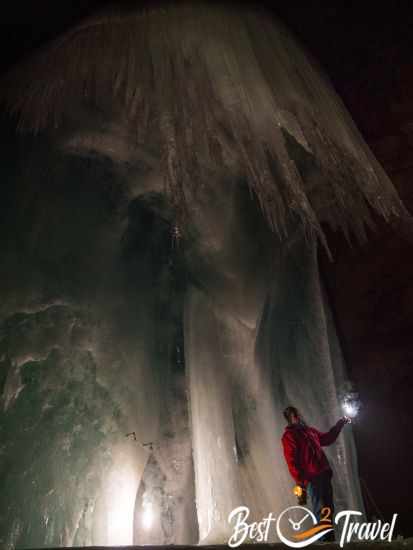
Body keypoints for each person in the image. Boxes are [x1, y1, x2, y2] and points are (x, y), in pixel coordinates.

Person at [281, 406, 350, 537]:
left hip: (324, 474)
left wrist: (340, 423)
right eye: (294, 416)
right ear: (289, 419)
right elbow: (291, 461)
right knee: (321, 509)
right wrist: (301, 483)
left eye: (298, 414)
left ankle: (329, 539)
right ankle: (325, 541)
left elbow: (328, 438)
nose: (298, 417)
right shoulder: (289, 436)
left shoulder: (310, 432)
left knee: (329, 509)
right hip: (312, 478)